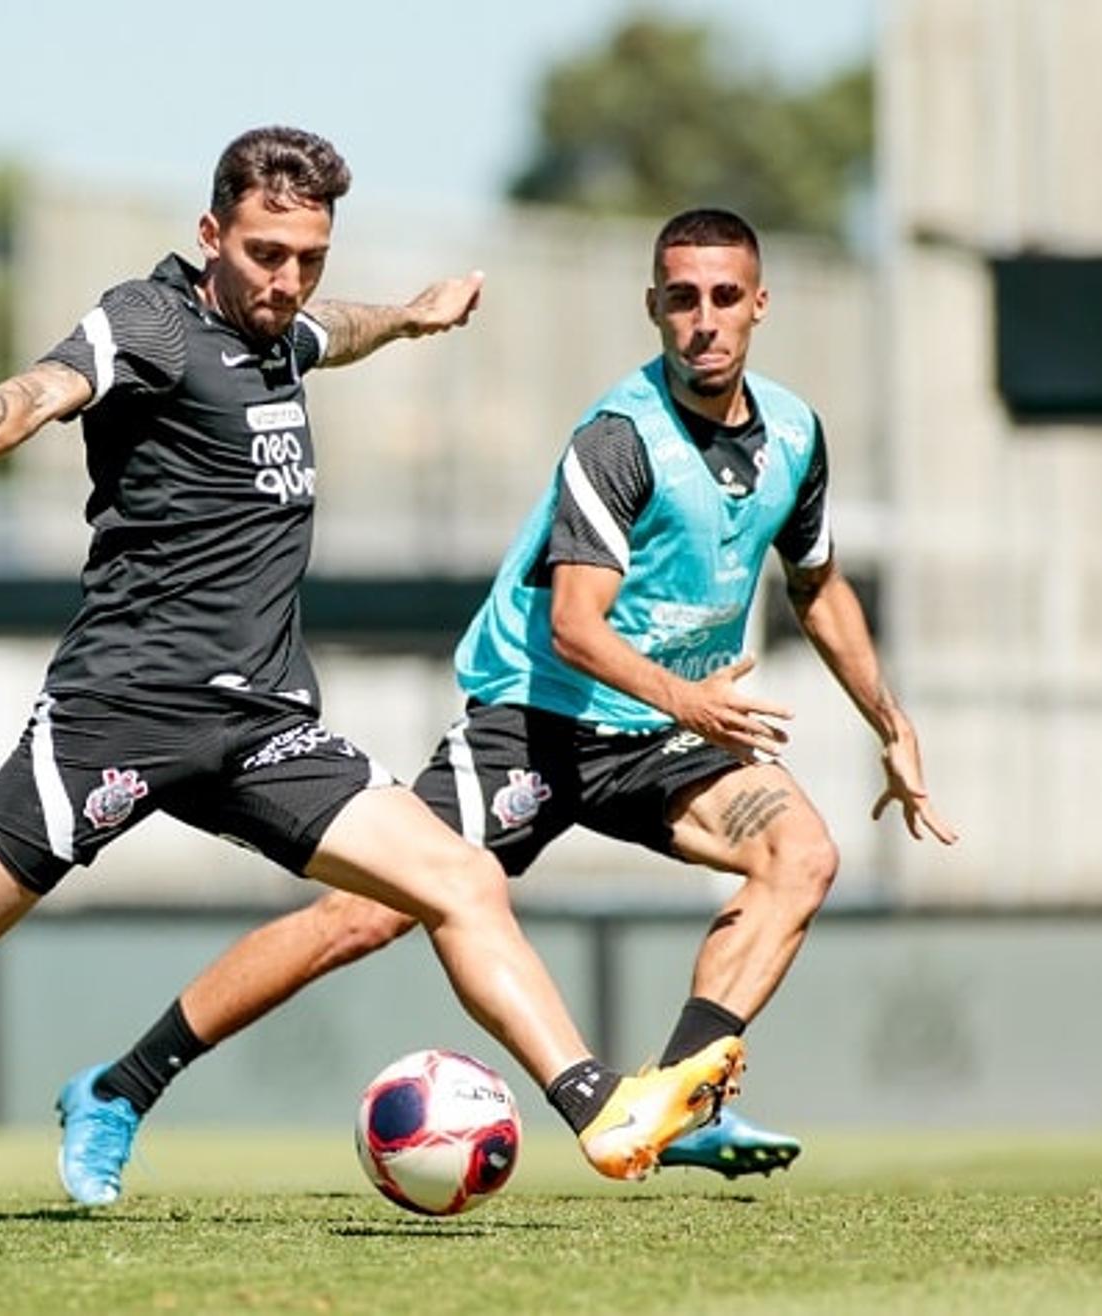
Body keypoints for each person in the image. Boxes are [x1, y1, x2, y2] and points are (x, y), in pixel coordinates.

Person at [0, 127, 746, 1196]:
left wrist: (411, 317)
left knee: (463, 876)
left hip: (263, 728)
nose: (287, 281)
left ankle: (598, 1105)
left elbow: (333, 329)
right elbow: (46, 385)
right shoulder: (147, 318)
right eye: (263, 254)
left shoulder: (282, 331)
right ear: (210, 234)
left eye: (308, 258)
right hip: (124, 706)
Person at [47, 205, 961, 1204]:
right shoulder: (621, 438)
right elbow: (575, 624)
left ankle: (676, 1101)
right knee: (357, 918)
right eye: (684, 298)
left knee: (804, 855)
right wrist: (689, 702)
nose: (705, 318)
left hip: (664, 730)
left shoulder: (793, 433)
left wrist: (891, 721)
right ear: (654, 307)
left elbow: (818, 583)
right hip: (536, 717)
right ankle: (118, 1086)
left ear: (760, 304)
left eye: (726, 297)